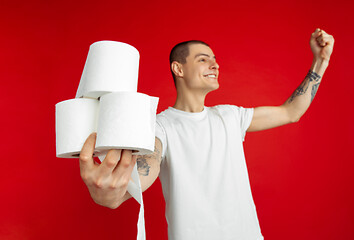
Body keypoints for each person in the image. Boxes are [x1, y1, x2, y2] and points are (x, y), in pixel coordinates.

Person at [79, 28, 335, 240]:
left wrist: (320, 61)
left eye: (214, 58)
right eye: (203, 59)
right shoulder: (160, 127)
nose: (215, 64)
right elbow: (146, 170)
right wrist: (113, 192)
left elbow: (291, 112)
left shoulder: (231, 116)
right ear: (178, 69)